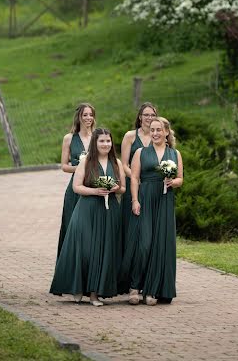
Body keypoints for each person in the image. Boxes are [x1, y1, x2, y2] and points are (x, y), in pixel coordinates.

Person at [50, 127, 125, 306]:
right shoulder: (86, 162)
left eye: (108, 141)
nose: (105, 144)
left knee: (103, 250)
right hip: (87, 208)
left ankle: (94, 294)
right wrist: (94, 191)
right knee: (85, 249)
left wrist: (116, 188)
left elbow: (122, 188)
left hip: (109, 211)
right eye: (102, 141)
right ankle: (77, 287)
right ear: (95, 143)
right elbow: (77, 186)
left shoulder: (117, 163)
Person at [120, 116, 183, 306]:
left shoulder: (175, 154)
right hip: (145, 199)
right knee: (144, 244)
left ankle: (152, 290)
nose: (155, 133)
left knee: (160, 245)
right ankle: (133, 287)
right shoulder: (140, 152)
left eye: (159, 130)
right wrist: (135, 200)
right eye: (152, 130)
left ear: (166, 132)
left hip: (165, 200)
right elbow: (134, 178)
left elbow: (181, 179)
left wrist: (173, 182)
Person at [56, 103, 96, 257]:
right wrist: (81, 168)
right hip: (74, 189)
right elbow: (64, 166)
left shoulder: (97, 137)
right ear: (79, 117)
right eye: (85, 115)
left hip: (93, 186)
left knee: (90, 229)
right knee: (71, 226)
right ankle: (68, 263)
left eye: (91, 115)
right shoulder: (69, 138)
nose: (88, 118)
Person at [120, 102, 157, 253]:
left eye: (152, 115)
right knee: (132, 225)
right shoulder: (130, 136)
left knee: (149, 227)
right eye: (146, 115)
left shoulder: (158, 136)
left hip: (152, 187)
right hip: (133, 187)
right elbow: (123, 165)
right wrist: (136, 179)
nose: (149, 117)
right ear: (140, 117)